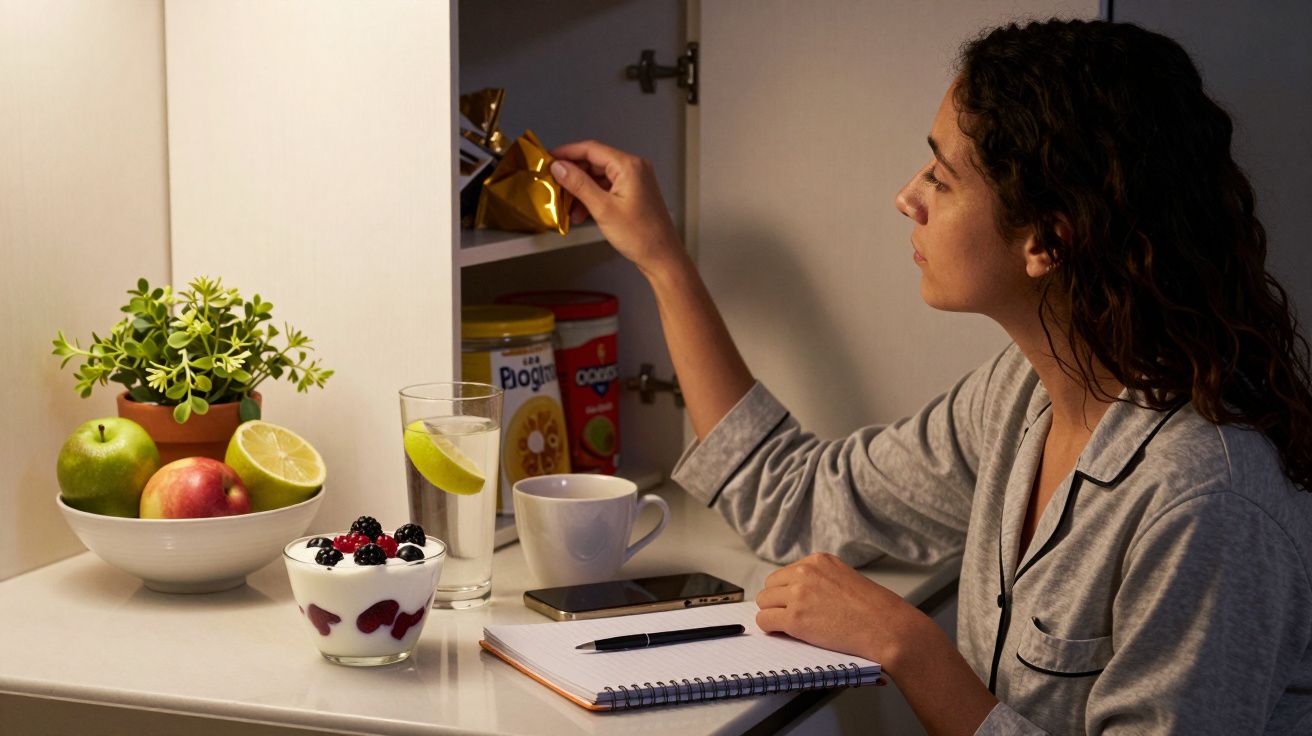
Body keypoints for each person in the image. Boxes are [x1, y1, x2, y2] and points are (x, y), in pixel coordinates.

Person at [548, 18, 1312, 735]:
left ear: (1046, 240)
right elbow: (802, 499)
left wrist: (907, 644)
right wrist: (663, 261)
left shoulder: (1208, 500)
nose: (907, 197)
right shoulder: (1021, 397)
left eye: (942, 178)